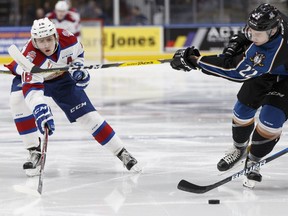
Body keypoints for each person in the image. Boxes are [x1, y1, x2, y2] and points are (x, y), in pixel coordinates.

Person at [170, 3, 288, 189]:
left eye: (258, 35)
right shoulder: (272, 20)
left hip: (284, 78)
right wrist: (236, 43)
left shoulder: (271, 51)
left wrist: (195, 61)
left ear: (273, 31)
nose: (252, 36)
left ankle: (253, 160)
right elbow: (246, 33)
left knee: (270, 119)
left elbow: (233, 70)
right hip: (266, 73)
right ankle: (239, 149)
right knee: (242, 110)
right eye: (252, 31)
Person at [5, 17, 141, 177]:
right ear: (34, 41)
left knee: (88, 116)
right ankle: (34, 151)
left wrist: (78, 69)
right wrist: (39, 107)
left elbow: (79, 55)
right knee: (17, 100)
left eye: (49, 39)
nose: (46, 45)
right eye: (41, 41)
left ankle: (121, 152)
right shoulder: (29, 58)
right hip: (35, 79)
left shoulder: (68, 38)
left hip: (62, 80)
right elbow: (32, 90)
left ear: (55, 36)